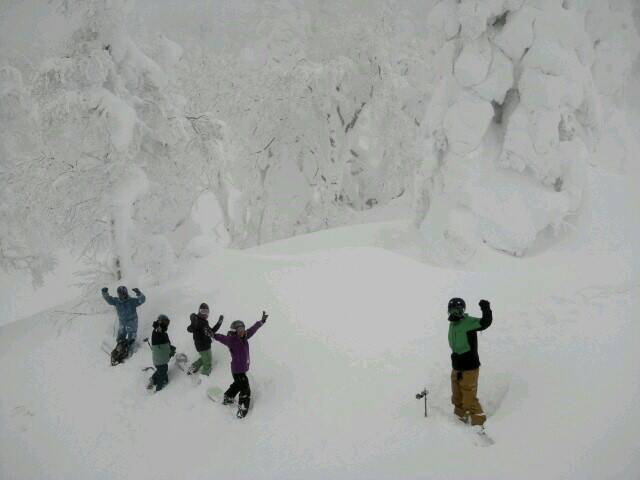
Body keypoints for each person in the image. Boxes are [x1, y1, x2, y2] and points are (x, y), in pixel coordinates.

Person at [212, 311, 268, 418]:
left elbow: (252, 329)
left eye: (243, 329)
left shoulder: (244, 336)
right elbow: (222, 338)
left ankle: (227, 397)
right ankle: (242, 409)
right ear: (234, 331)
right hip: (238, 370)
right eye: (239, 330)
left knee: (238, 385)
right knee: (245, 389)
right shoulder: (232, 340)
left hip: (242, 369)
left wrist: (261, 322)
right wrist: (213, 335)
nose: (242, 332)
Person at [447, 297, 492, 427]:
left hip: (469, 368)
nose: (455, 313)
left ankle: (480, 424)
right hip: (456, 367)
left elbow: (485, 322)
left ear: (463, 310)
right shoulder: (452, 324)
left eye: (458, 310)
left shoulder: (468, 322)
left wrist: (486, 309)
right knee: (456, 397)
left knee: (469, 399)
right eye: (452, 310)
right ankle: (459, 418)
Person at [101, 286, 146, 354]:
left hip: (132, 321)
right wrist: (105, 293)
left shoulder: (132, 301)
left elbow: (142, 300)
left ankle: (130, 349)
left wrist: (139, 293)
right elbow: (109, 300)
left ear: (126, 293)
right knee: (121, 335)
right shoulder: (116, 301)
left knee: (131, 336)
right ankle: (120, 346)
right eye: (120, 294)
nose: (122, 295)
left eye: (123, 294)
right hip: (122, 321)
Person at [186, 303, 223, 377]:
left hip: (207, 345)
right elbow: (190, 329)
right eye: (203, 311)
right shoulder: (197, 321)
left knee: (207, 358)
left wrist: (219, 323)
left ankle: (194, 366)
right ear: (199, 311)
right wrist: (194, 323)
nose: (205, 314)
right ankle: (205, 375)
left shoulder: (205, 322)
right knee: (207, 362)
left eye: (206, 312)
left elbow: (212, 331)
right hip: (201, 346)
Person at [147, 314, 176, 392]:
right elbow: (159, 333)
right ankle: (159, 387)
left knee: (162, 369)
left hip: (161, 358)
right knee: (163, 371)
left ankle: (153, 379)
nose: (166, 325)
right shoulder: (158, 330)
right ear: (160, 322)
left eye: (167, 323)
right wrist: (158, 326)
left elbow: (164, 343)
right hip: (160, 359)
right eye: (165, 323)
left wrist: (170, 348)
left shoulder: (162, 332)